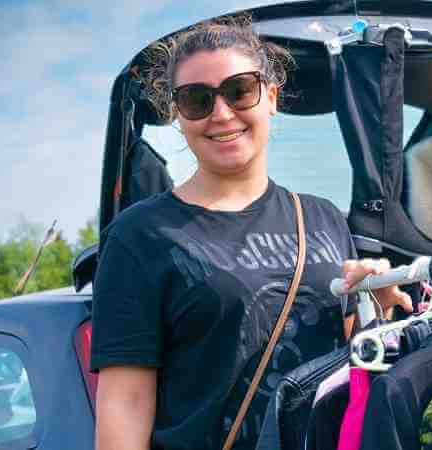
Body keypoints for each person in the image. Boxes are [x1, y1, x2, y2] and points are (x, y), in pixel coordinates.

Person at [90, 19, 412, 450]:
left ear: (271, 97)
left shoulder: (323, 218)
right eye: (197, 99)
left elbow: (347, 366)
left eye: (239, 90)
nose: (221, 113)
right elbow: (125, 405)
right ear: (178, 116)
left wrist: (377, 305)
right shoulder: (140, 236)